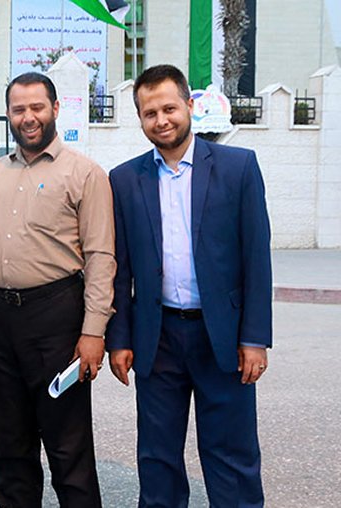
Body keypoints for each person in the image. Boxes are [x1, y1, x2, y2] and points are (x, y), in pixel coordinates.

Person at [106, 64, 271, 507]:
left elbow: (257, 258)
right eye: (150, 113)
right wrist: (119, 340)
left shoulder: (238, 168)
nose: (161, 120)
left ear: (189, 106)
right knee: (157, 456)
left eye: (169, 109)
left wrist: (254, 339)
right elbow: (120, 271)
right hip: (157, 339)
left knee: (230, 453)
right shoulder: (125, 180)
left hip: (223, 337)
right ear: (140, 118)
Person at [0, 72, 115, 508]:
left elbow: (101, 257)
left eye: (37, 107)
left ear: (55, 109)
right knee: (10, 442)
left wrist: (93, 332)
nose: (28, 117)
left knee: (67, 445)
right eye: (18, 109)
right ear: (8, 114)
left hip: (57, 319)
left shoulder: (84, 174)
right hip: (1, 320)